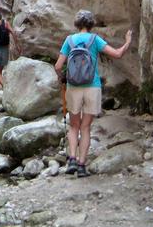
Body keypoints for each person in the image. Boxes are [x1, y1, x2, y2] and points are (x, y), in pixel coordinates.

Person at [55, 10, 131, 177]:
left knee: (74, 126)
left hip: (73, 87)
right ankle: (82, 166)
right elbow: (117, 54)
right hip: (92, 87)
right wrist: (127, 41)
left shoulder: (70, 40)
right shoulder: (95, 40)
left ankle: (72, 161)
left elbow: (58, 66)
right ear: (91, 25)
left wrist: (63, 79)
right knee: (86, 127)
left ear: (76, 24)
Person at [0, 8, 22, 94]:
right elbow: (13, 32)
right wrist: (17, 45)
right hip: (5, 49)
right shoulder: (6, 23)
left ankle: (5, 88)